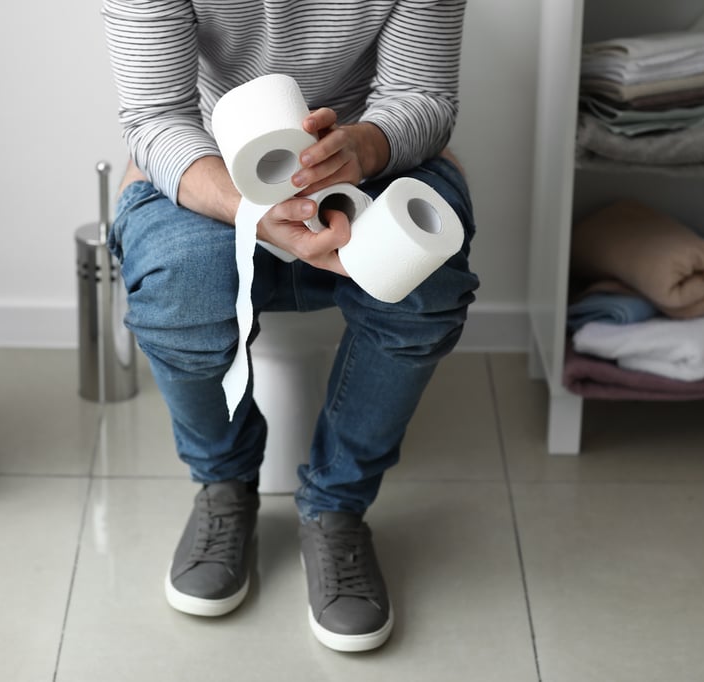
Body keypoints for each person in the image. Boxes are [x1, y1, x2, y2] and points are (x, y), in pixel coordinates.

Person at [101, 0, 479, 653]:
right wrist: (249, 208)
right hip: (213, 163)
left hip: (372, 154)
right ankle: (224, 484)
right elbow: (156, 115)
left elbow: (422, 95)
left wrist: (359, 148)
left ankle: (336, 506)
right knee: (180, 291)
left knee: (426, 289)